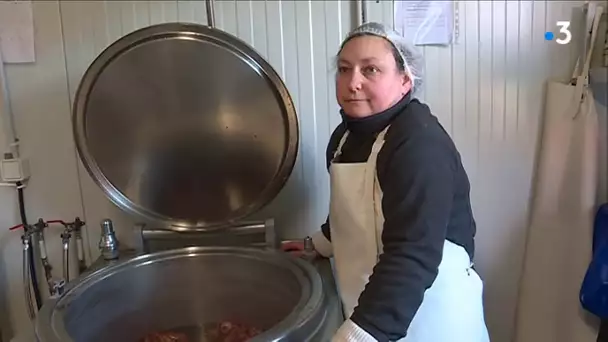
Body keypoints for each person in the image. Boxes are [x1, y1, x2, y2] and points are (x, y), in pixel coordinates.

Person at [282, 22, 490, 342]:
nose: (353, 83)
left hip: (431, 316)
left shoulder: (419, 144)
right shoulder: (346, 137)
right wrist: (319, 243)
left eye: (371, 70)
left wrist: (359, 334)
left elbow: (413, 252)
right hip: (377, 304)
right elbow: (357, 209)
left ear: (406, 80)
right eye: (344, 68)